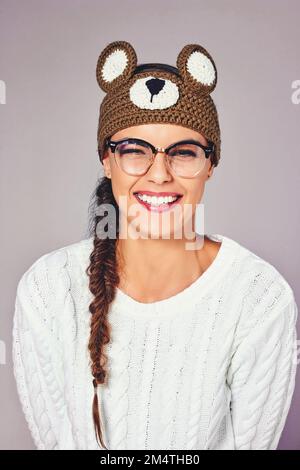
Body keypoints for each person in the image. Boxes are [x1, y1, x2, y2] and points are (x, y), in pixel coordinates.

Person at [12, 40, 298, 450]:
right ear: (106, 160)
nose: (159, 174)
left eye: (184, 152)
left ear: (210, 165)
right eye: (134, 150)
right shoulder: (46, 290)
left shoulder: (260, 298)